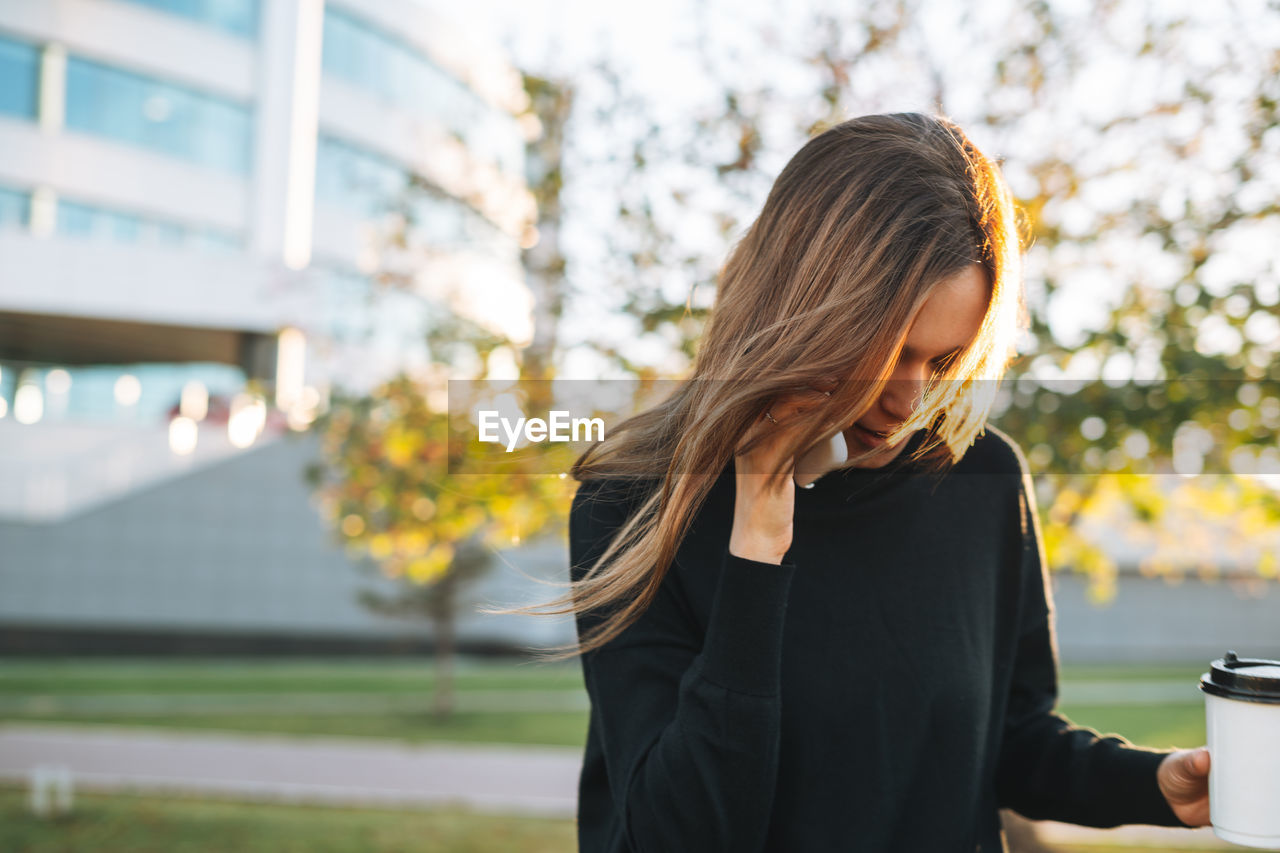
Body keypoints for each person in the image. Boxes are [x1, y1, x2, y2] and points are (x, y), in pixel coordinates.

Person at [554, 113, 1211, 851]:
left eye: (942, 359)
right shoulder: (632, 502)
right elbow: (675, 832)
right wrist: (756, 550)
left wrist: (1153, 782)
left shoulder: (984, 476)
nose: (909, 400)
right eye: (888, 348)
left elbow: (1009, 738)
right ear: (800, 306)